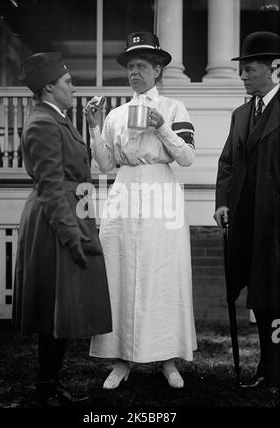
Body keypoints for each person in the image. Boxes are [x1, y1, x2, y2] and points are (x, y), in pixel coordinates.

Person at [85, 32, 197, 390]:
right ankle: (120, 359)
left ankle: (167, 359)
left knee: (161, 274)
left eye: (142, 66)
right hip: (124, 191)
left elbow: (188, 158)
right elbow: (104, 164)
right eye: (131, 66)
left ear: (158, 69)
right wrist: (94, 125)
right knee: (120, 272)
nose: (135, 72)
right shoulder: (117, 114)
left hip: (160, 192)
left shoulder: (173, 109)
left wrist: (161, 127)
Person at [12, 52, 112, 406]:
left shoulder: (56, 118)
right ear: (49, 87)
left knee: (62, 307)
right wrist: (73, 237)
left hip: (70, 214)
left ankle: (51, 385)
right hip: (56, 222)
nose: (74, 87)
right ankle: (47, 388)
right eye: (68, 82)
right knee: (56, 306)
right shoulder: (42, 123)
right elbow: (51, 187)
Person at [214, 32, 280, 390]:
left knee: (277, 295)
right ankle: (267, 368)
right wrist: (222, 202)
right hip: (250, 223)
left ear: (274, 68)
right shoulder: (240, 114)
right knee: (262, 297)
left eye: (249, 69)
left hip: (276, 223)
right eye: (241, 70)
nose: (242, 76)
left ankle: (275, 370)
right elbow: (227, 163)